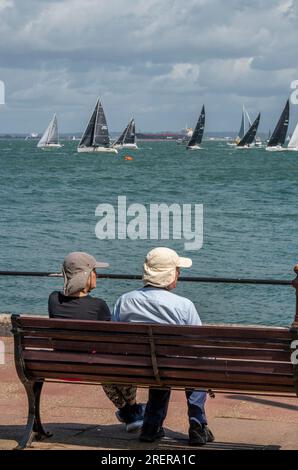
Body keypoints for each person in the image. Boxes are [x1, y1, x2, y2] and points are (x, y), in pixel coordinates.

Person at [113, 247, 215, 445]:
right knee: (196, 365)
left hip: (139, 368)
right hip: (174, 367)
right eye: (177, 270)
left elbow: (114, 338)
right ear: (169, 275)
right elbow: (199, 345)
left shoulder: (124, 301)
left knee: (159, 367)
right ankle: (197, 424)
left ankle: (151, 426)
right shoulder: (183, 305)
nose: (179, 274)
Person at [48, 251, 144, 432]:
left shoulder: (53, 299)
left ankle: (127, 411)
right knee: (115, 359)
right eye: (94, 271)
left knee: (103, 361)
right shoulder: (98, 306)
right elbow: (111, 342)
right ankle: (133, 409)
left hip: (60, 366)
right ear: (85, 275)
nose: (96, 275)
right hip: (92, 368)